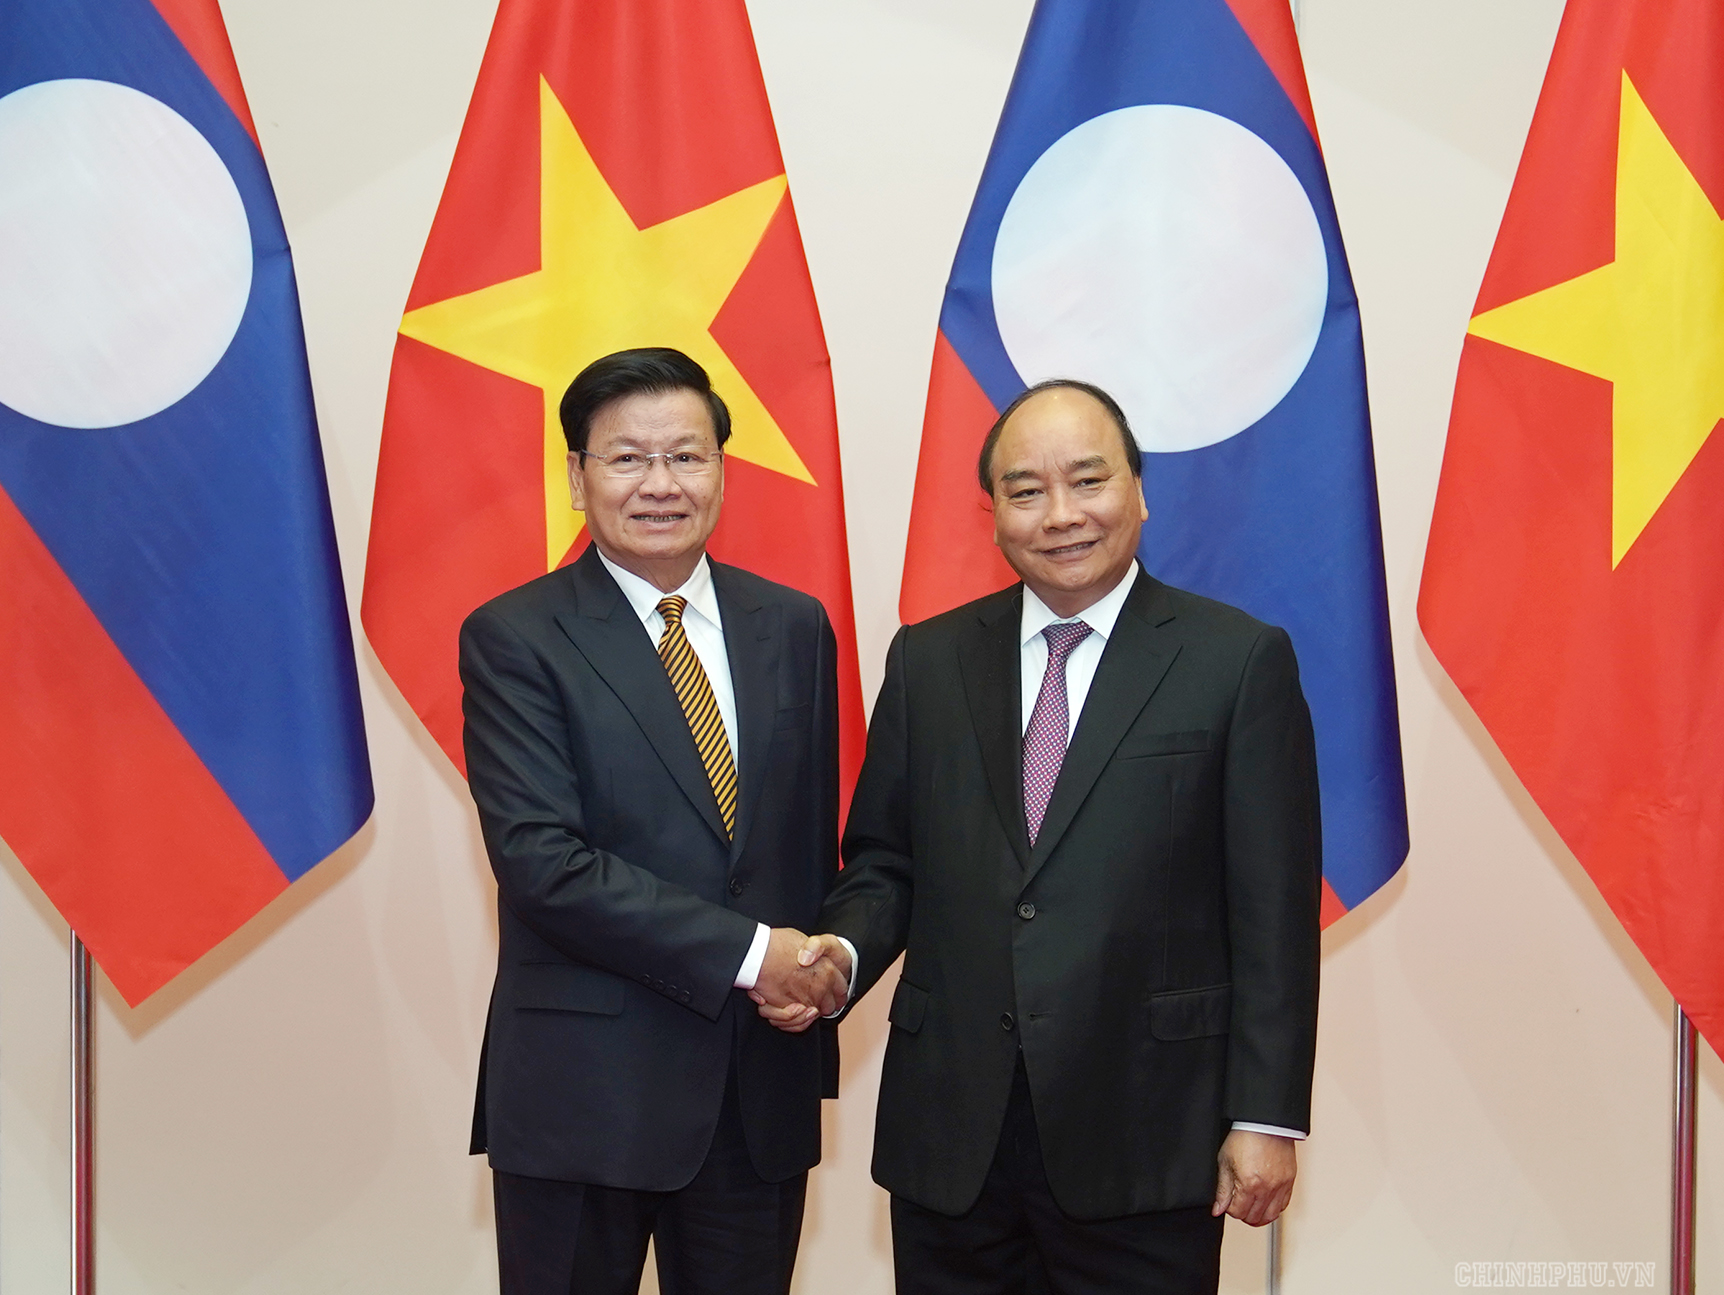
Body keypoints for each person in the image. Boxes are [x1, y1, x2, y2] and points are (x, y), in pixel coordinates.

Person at [774, 380, 1322, 1294]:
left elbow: (1273, 911)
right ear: (993, 515)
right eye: (1026, 490)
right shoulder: (929, 659)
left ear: (1138, 491)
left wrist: (1265, 1116)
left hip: (1147, 1132)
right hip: (954, 1135)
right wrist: (841, 950)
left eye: (1088, 480)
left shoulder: (1236, 660)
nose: (1061, 514)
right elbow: (886, 861)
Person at [460, 347, 848, 1295]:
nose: (661, 484)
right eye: (628, 458)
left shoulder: (795, 625)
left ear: (722, 470)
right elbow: (543, 862)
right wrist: (757, 955)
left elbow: (805, 848)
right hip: (583, 1090)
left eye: (686, 455)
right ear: (577, 477)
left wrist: (823, 960)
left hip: (757, 1087)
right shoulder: (515, 636)